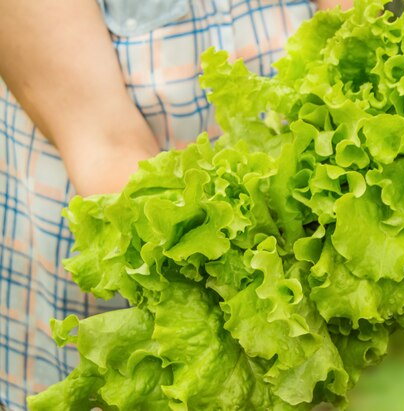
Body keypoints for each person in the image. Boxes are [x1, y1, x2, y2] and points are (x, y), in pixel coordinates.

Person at [0, 0, 351, 408]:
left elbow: (347, 32)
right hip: (125, 228)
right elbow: (103, 140)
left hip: (296, 248)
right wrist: (256, 292)